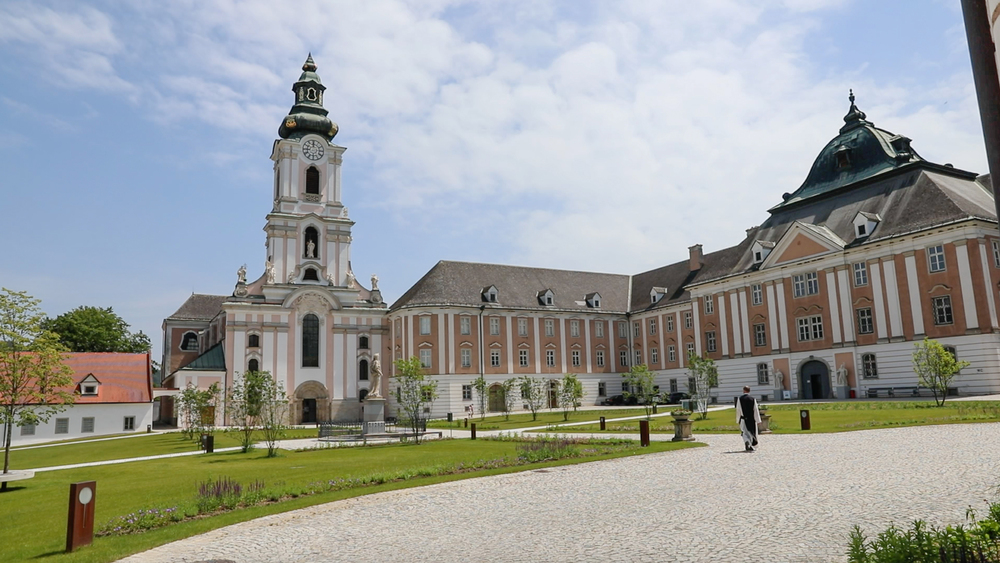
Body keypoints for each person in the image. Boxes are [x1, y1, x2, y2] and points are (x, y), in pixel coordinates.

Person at [736, 385, 762, 452]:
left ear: (743, 390)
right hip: (751, 419)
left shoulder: (740, 399)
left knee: (744, 432)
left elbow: (738, 409)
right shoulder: (753, 399)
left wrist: (737, 419)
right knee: (751, 432)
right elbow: (755, 410)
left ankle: (747, 441)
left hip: (743, 419)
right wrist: (758, 420)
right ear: (749, 391)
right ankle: (750, 444)